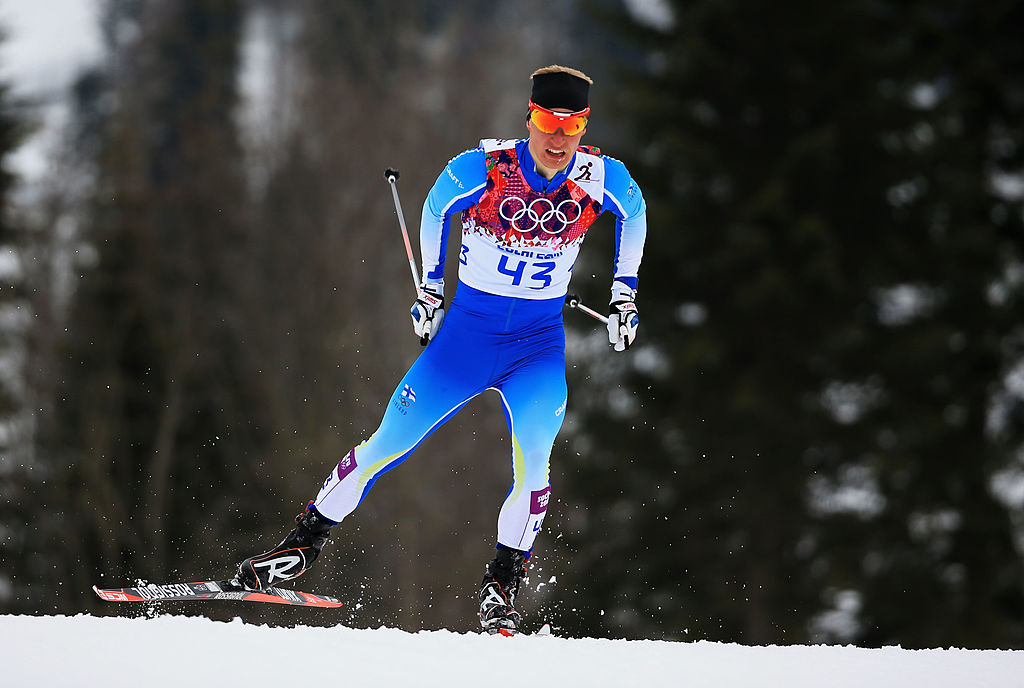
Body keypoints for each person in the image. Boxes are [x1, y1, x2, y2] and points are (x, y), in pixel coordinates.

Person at [237, 65, 647, 635]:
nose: (558, 139)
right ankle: (298, 548)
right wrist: (430, 290)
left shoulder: (602, 177)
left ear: (584, 126)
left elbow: (636, 215)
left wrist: (624, 295)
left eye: (571, 126)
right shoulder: (484, 168)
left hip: (536, 350)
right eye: (548, 123)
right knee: (387, 443)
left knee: (534, 464)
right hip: (464, 344)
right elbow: (434, 210)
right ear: (529, 118)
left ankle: (501, 589)